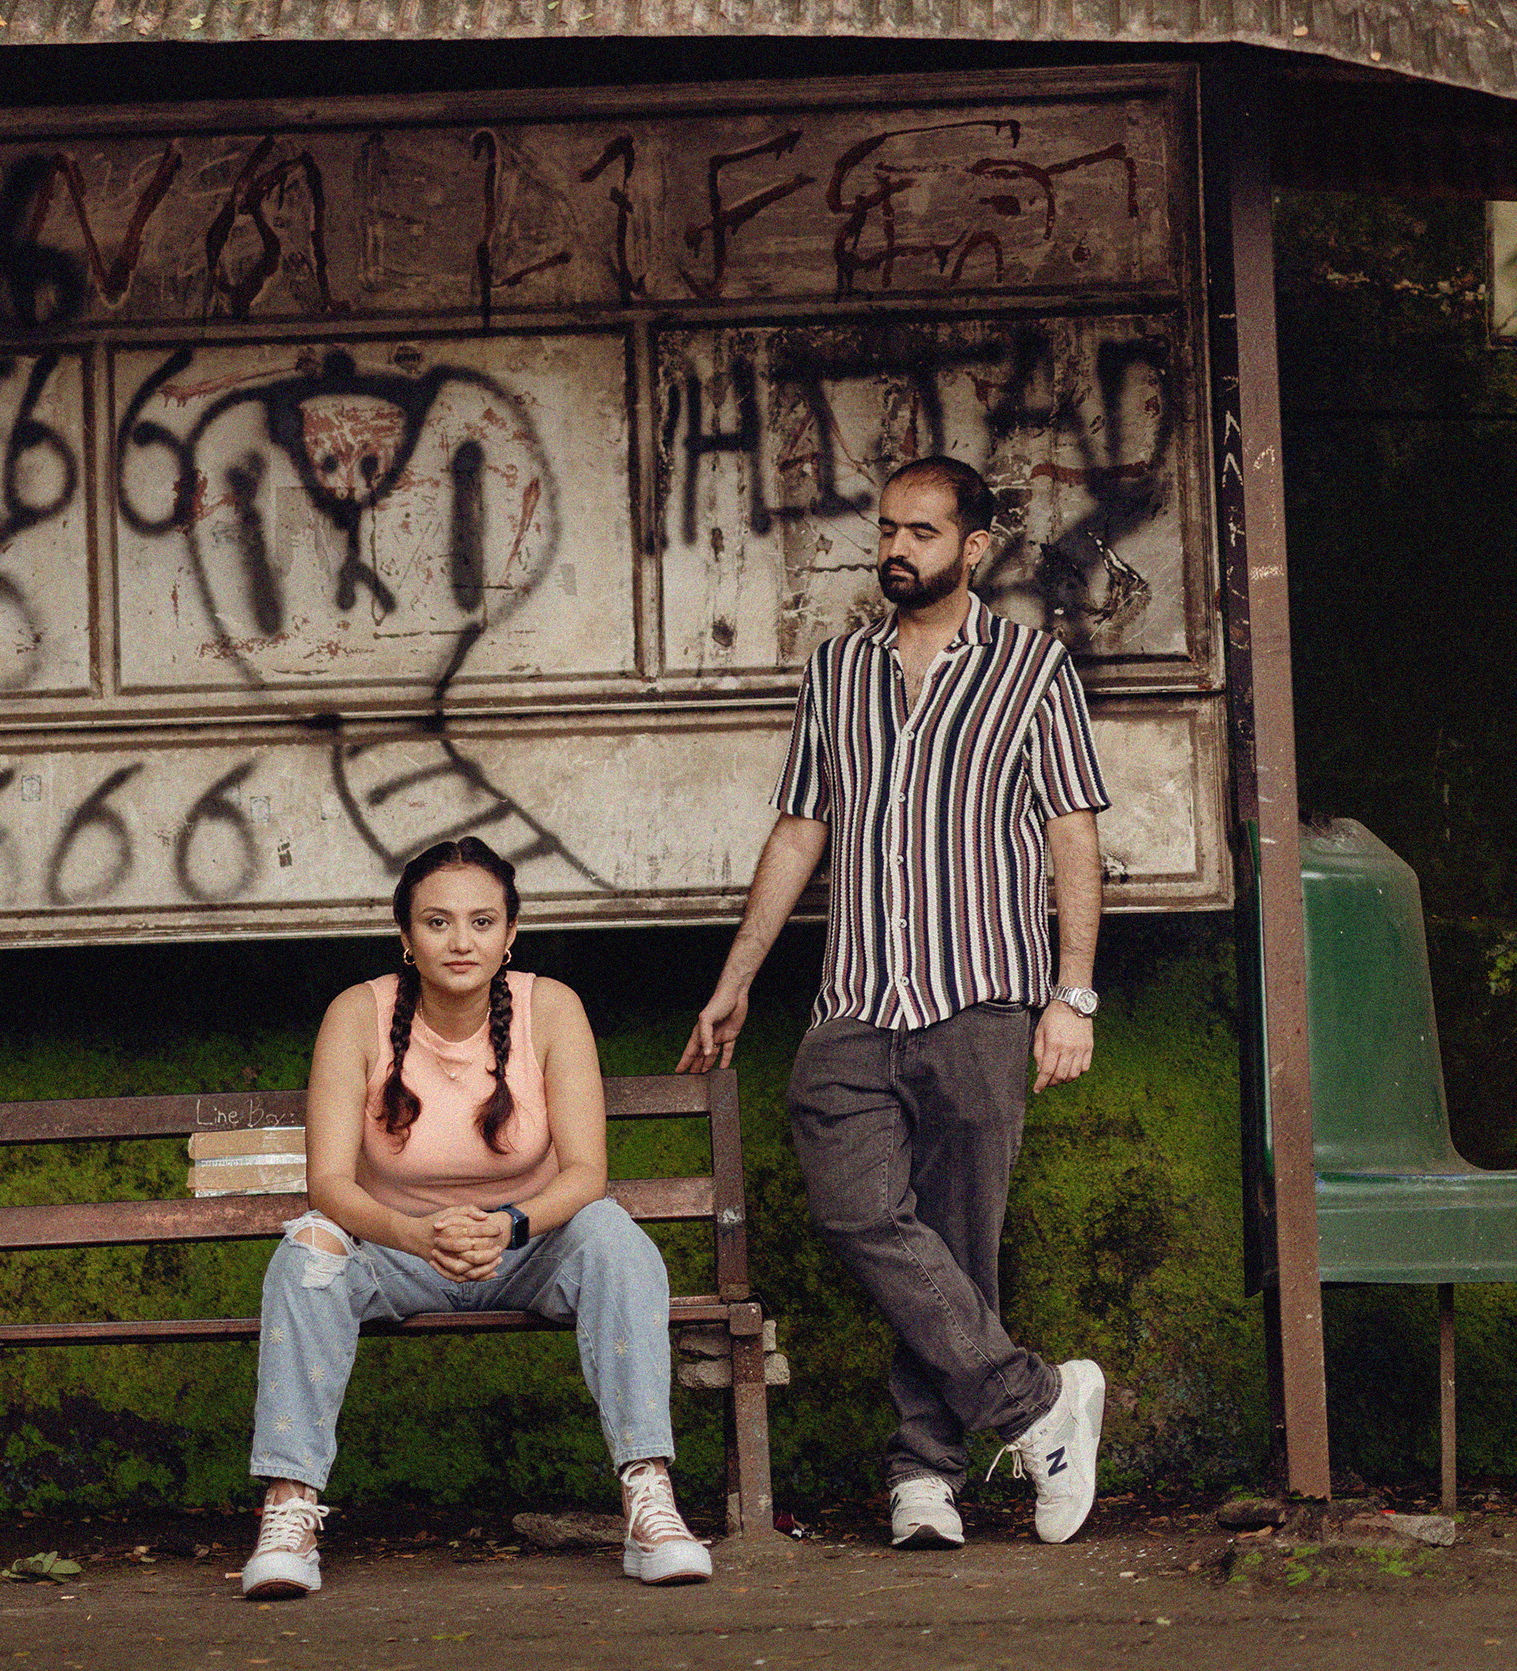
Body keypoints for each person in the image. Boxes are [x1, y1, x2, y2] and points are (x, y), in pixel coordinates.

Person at [680, 455, 1111, 1552]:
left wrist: (1072, 995)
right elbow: (800, 828)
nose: (897, 549)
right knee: (856, 1211)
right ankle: (1039, 1404)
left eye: (922, 531)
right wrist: (737, 977)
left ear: (974, 547)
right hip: (858, 999)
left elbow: (1072, 833)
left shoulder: (1033, 668)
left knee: (959, 1244)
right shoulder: (839, 670)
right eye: (887, 529)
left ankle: (925, 1475)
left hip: (980, 994)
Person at [241, 834, 712, 1599]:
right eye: (437, 922)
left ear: (510, 934)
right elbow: (328, 1182)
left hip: (528, 1249)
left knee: (616, 1239)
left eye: (482, 921)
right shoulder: (357, 1015)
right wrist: (414, 1234)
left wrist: (511, 1224)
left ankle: (648, 1497)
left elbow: (587, 1173)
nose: (461, 941)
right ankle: (289, 1509)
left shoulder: (550, 1008)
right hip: (399, 1251)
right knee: (308, 1255)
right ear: (405, 936)